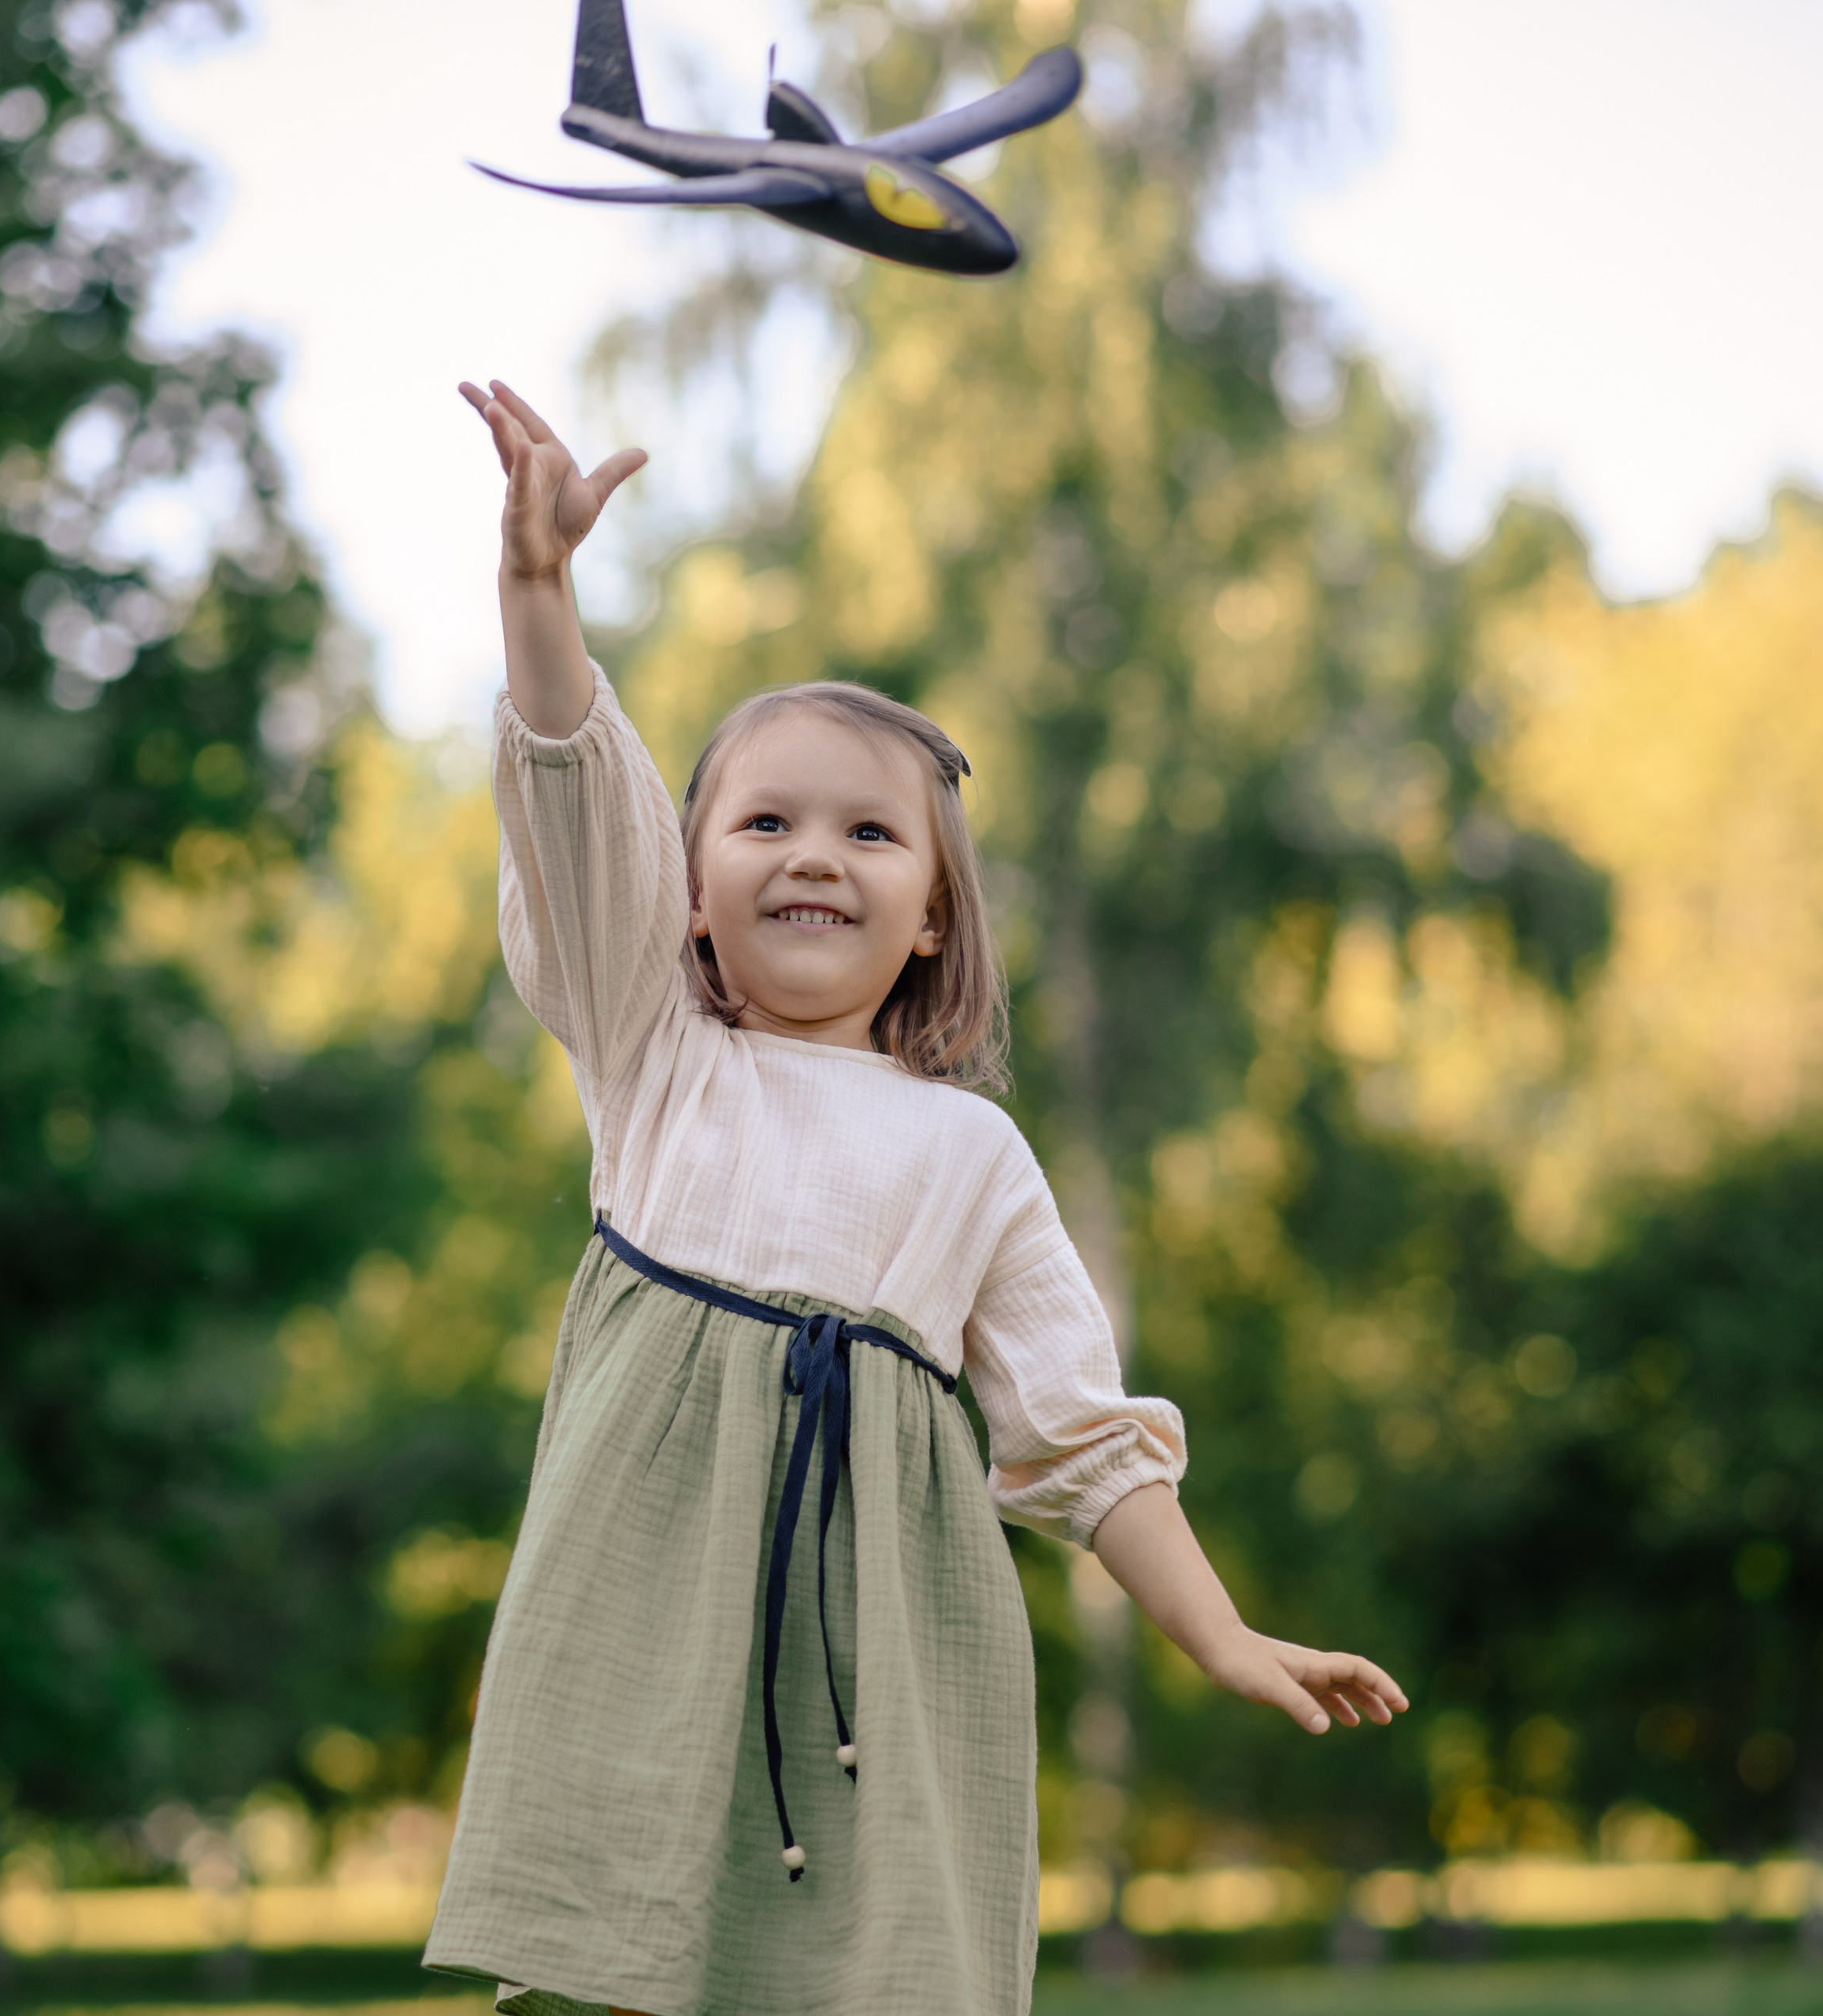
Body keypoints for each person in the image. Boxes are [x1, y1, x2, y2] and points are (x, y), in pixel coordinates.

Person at [424, 381, 1407, 2016]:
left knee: (872, 1967)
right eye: (763, 820)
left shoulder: (969, 1157)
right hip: (640, 1616)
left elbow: (1082, 1441)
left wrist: (1220, 1632)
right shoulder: (655, 1057)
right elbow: (569, 802)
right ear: (685, 886)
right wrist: (537, 594)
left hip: (874, 1649)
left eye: (868, 830)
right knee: (610, 1952)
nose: (813, 852)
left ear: (935, 916)